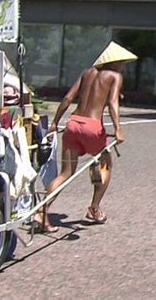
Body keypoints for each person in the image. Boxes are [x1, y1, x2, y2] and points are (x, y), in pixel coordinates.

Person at [35, 41, 138, 232]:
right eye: (122, 62)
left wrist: (55, 122)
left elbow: (67, 98)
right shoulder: (115, 76)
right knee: (105, 162)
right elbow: (113, 103)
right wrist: (118, 129)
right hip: (92, 128)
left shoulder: (86, 73)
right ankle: (94, 208)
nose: (123, 66)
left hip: (73, 124)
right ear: (114, 62)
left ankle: (43, 212)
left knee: (66, 173)